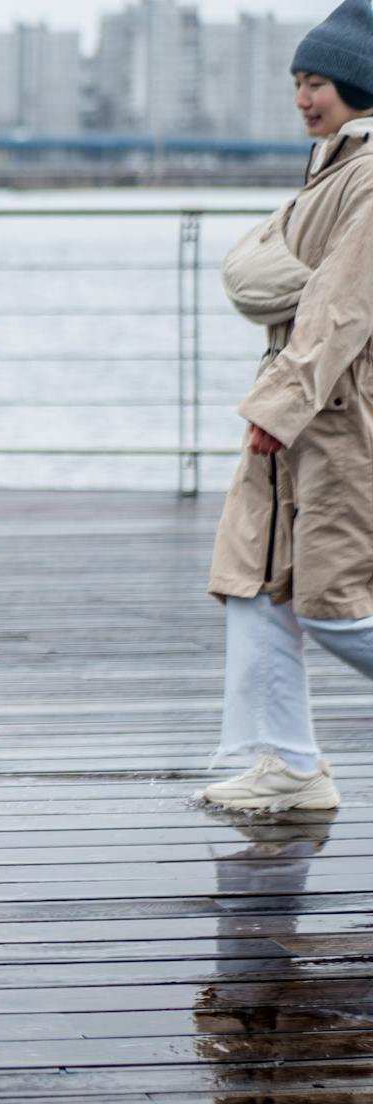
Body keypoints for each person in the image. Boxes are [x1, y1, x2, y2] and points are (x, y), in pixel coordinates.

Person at [201, 1, 373, 812]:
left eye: (319, 83)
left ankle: (292, 765)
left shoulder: (369, 173)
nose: (305, 97)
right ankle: (290, 766)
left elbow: (340, 305)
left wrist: (280, 407)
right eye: (299, 82)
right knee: (254, 584)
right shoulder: (333, 166)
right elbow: (250, 276)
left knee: (336, 606)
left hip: (334, 416)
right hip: (302, 410)